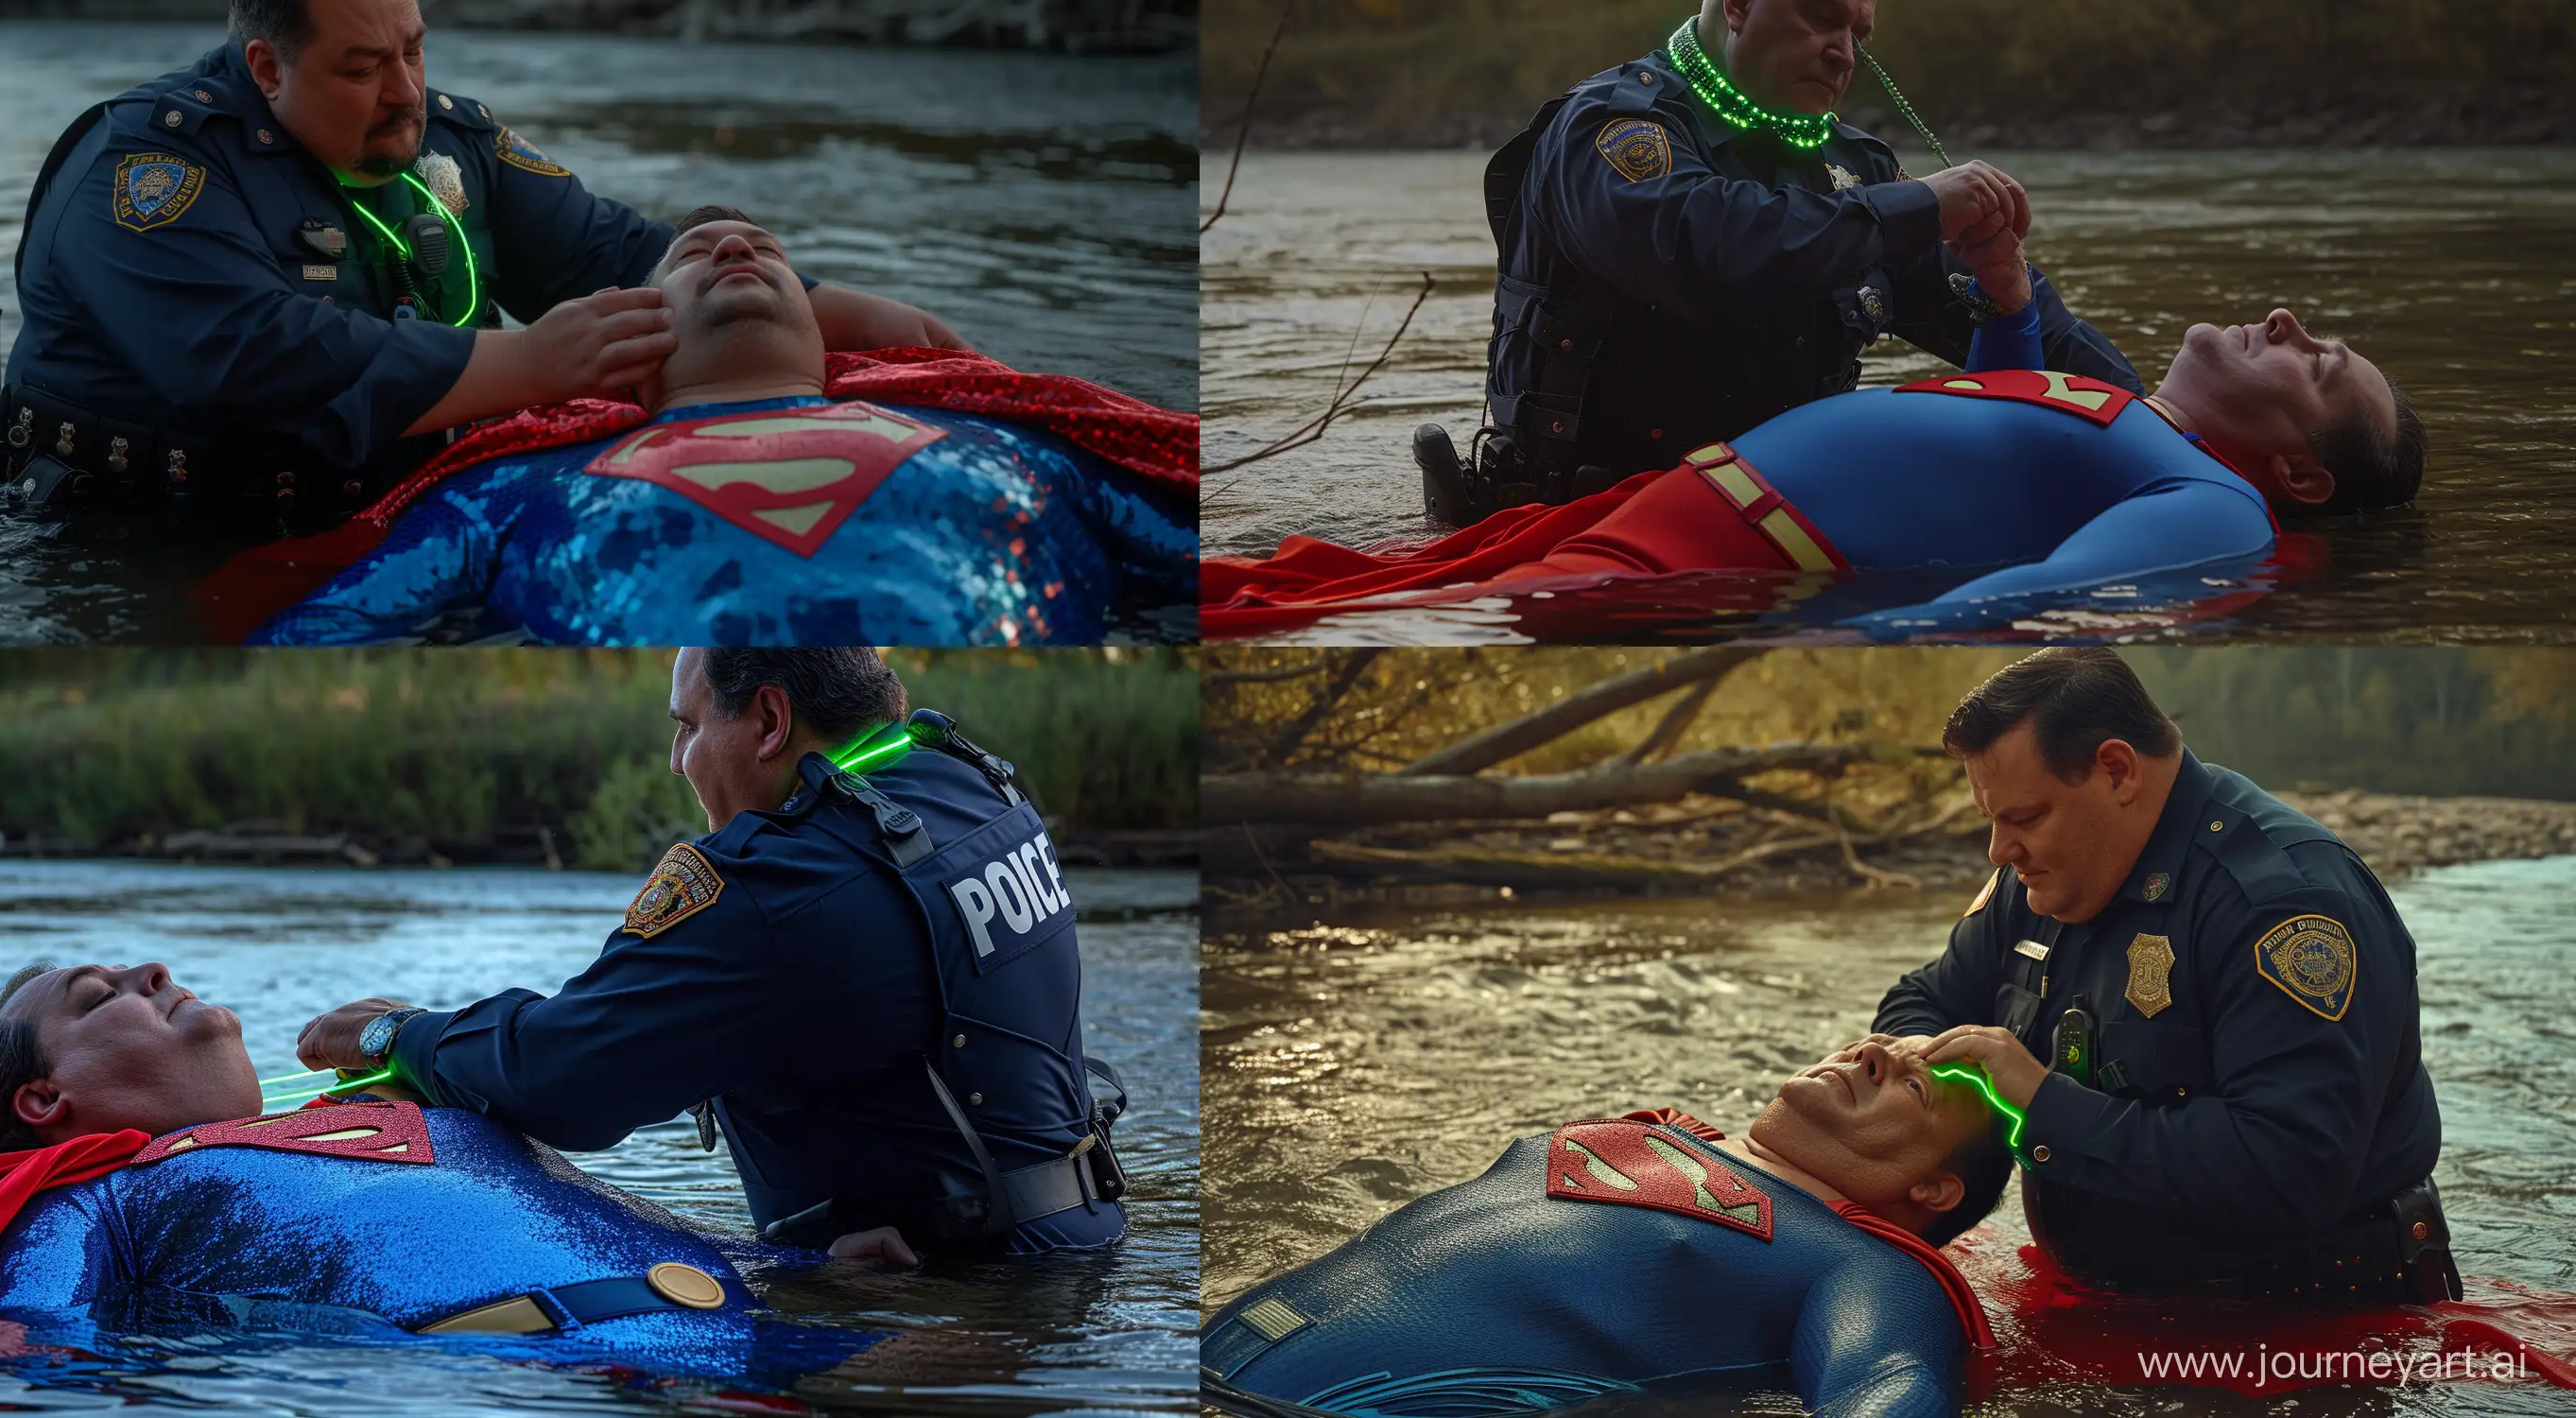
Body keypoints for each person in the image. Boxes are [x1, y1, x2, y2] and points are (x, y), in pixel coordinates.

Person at [0, 0, 960, 528]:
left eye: (414, 50)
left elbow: (622, 256)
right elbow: (244, 360)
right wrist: (531, 366)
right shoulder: (147, 172)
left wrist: (834, 310)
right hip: (133, 528)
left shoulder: (450, 143)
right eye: (362, 66)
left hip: (381, 505)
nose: (405, 93)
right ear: (266, 68)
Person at [297, 649, 1130, 1257]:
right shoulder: (968, 783)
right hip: (1085, 1244)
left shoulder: (775, 887)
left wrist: (396, 1036)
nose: (675, 762)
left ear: (768, 721)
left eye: (688, 728)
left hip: (950, 1299)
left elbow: (558, 1080)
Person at [1202, 237, 2424, 639]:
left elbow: (2030, 592)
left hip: (1688, 560)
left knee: (1331, 622)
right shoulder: (2126, 422)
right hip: (1657, 515)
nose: (2286, 321)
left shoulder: (2218, 505)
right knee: (1313, 586)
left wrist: (1847, 649)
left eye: (2319, 364)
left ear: (2301, 469)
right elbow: (2001, 443)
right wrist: (2004, 305)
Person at [0, 958, 884, 1389]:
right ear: (44, 1103)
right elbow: (34, 1353)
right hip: (558, 1375)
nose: (153, 972)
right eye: (102, 997)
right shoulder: (92, 1200)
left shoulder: (407, 1108)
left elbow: (587, 1208)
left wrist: (808, 1262)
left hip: (761, 1326)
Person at [1418, 0, 2139, 521]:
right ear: (1739, 2)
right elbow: (1702, 248)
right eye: (1822, 16)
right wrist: (1918, 205)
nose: (1843, 54)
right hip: (1582, 531)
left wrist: (2155, 418)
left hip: (1770, 526)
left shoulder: (1856, 172)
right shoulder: (1609, 128)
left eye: (1858, 35)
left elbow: (2013, 312)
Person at [232, 208, 1195, 645]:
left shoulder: (1028, 444)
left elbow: (1203, 565)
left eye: (764, 251)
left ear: (824, 334)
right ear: (635, 352)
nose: (734, 245)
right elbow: (320, 628)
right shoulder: (509, 486)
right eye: (694, 258)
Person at [1867, 647, 2456, 1302]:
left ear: (2117, 772)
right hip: (2107, 1300)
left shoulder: (2282, 904)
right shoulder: (2037, 880)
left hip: (2304, 1321)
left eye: (2026, 818)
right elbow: (1923, 1000)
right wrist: (1922, 1074)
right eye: (1993, 819)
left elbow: (2291, 1169)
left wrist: (2041, 1105)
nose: (2000, 851)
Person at [1202, 1040, 2011, 1418]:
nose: (1872, 1051)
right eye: (1884, 1045)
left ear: (1934, 1187)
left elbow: (1890, 1392)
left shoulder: (1871, 1270)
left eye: (1915, 1083)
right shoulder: (1653, 1131)